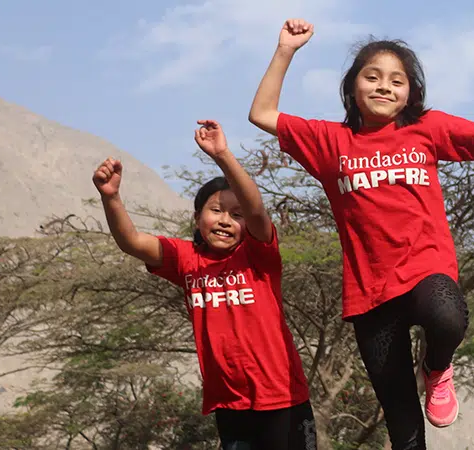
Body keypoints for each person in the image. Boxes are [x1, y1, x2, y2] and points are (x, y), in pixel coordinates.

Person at [247, 18, 474, 448]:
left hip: (425, 270)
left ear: (410, 93)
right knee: (403, 423)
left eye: (397, 81)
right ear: (352, 88)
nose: (384, 87)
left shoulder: (426, 128)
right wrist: (286, 49)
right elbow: (262, 114)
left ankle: (437, 367)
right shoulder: (329, 140)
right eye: (372, 77)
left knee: (446, 315)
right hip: (370, 293)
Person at [92, 120, 315, 449]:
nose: (225, 220)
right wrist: (110, 198)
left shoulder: (259, 256)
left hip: (282, 398)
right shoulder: (187, 259)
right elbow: (133, 242)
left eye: (235, 215)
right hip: (229, 404)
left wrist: (222, 154)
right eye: (216, 210)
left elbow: (256, 209)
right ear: (197, 218)